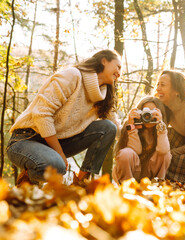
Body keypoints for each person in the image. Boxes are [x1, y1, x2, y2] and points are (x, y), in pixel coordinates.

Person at [7, 49, 122, 185]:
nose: (119, 73)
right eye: (118, 66)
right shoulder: (73, 76)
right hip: (26, 139)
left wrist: (133, 125)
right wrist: (60, 153)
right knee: (56, 166)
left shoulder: (103, 95)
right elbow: (42, 114)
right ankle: (28, 184)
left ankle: (81, 183)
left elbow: (117, 129)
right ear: (104, 61)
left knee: (108, 128)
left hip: (57, 142)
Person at [112, 96, 171, 184]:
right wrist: (132, 128)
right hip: (132, 172)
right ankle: (127, 187)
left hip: (150, 173)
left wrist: (161, 126)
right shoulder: (130, 125)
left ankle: (158, 185)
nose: (147, 116)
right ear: (139, 112)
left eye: (152, 112)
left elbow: (163, 150)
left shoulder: (161, 128)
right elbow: (136, 150)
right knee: (126, 153)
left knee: (165, 155)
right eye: (145, 112)